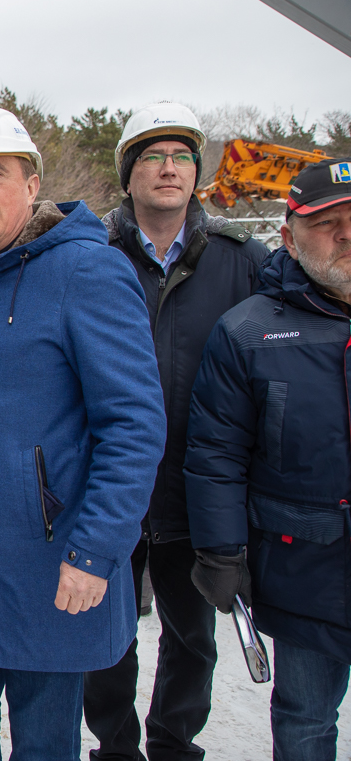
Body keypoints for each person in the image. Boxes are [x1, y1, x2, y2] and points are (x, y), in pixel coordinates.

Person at [0, 105, 166, 760]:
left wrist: (95, 551)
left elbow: (132, 427)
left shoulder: (89, 272)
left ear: (32, 182)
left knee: (43, 744)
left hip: (48, 568)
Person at [83, 102, 269, 761]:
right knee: (106, 632)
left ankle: (172, 743)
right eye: (153, 158)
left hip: (199, 487)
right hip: (110, 483)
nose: (168, 169)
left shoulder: (242, 262)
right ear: (129, 175)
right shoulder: (91, 256)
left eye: (181, 157)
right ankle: (115, 746)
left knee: (192, 635)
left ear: (197, 173)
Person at [185, 157, 351, 761]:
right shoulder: (249, 333)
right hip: (308, 566)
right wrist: (221, 551)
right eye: (327, 221)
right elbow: (217, 453)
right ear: (287, 235)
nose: (346, 234)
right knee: (306, 721)